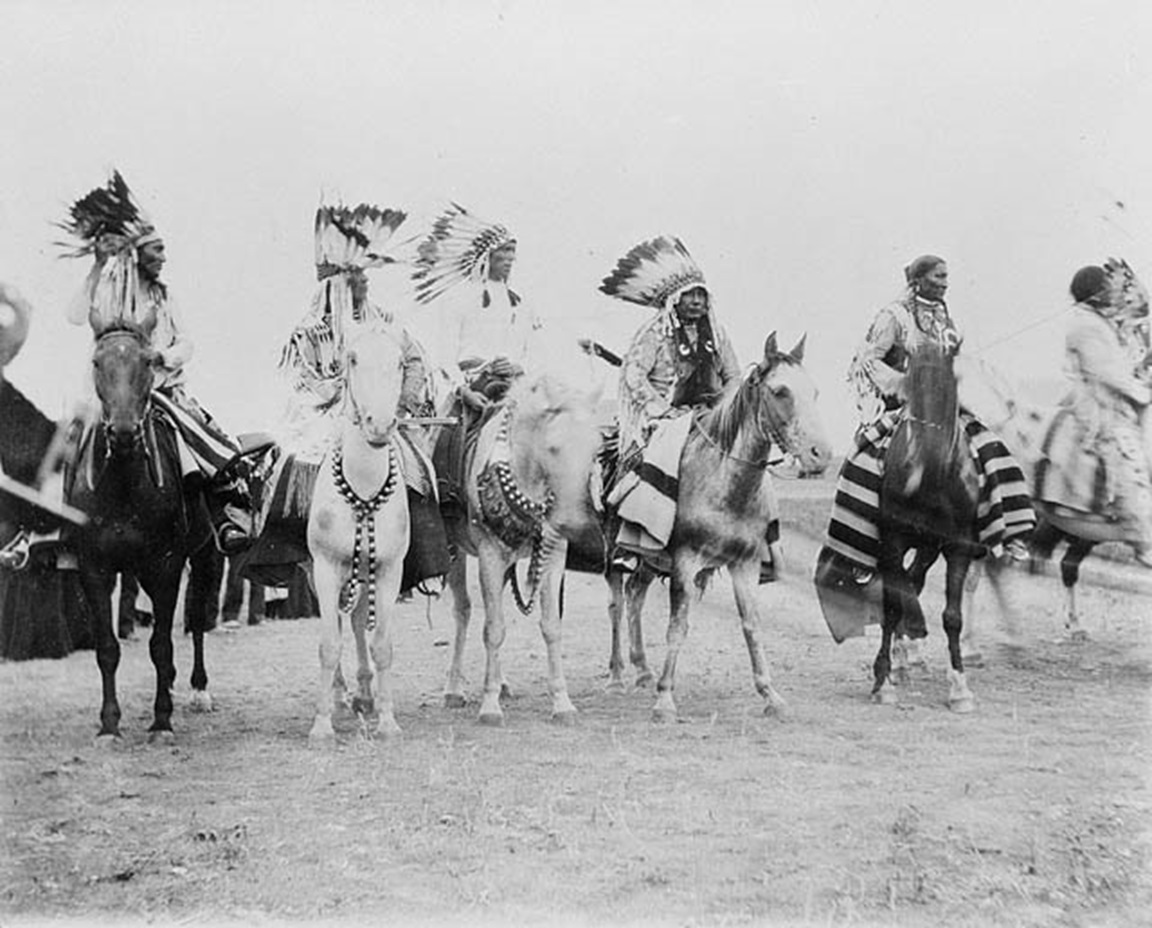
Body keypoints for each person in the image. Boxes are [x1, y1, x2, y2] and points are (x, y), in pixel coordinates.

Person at [60, 172, 251, 554]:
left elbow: (187, 341)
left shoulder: (165, 298)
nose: (163, 258)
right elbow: (76, 315)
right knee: (69, 442)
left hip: (162, 391)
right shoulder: (110, 287)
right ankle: (62, 534)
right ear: (138, 253)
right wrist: (96, 267)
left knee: (205, 439)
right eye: (157, 250)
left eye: (163, 250)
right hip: (111, 393)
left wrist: (165, 356)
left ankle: (223, 520)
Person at [822, 255, 1035, 594]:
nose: (945, 283)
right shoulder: (893, 316)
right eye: (938, 276)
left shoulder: (946, 320)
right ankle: (858, 552)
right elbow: (868, 360)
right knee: (859, 461)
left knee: (993, 451)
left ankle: (1006, 533)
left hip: (945, 407)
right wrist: (906, 386)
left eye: (947, 276)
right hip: (902, 407)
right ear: (918, 280)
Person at [599, 235, 744, 563]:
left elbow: (734, 376)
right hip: (662, 418)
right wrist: (661, 412)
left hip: (708, 416)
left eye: (701, 296)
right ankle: (631, 542)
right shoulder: (655, 332)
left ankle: (750, 544)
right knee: (643, 462)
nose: (696, 302)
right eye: (689, 295)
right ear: (673, 300)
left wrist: (724, 408)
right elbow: (633, 375)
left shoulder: (717, 334)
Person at [412, 204, 541, 509]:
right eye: (502, 254)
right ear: (486, 257)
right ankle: (447, 498)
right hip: (472, 385)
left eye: (512, 255)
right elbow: (445, 354)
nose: (509, 261)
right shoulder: (459, 299)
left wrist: (517, 366)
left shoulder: (521, 305)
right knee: (447, 440)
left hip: (514, 386)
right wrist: (464, 390)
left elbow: (535, 351)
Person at [1037, 262, 1152, 566]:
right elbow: (1109, 373)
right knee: (1128, 458)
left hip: (1117, 400)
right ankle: (1142, 536)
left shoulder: (1100, 321)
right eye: (1107, 288)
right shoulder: (1084, 325)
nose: (1113, 293)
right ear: (1095, 294)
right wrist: (1144, 388)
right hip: (1098, 405)